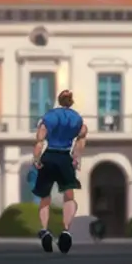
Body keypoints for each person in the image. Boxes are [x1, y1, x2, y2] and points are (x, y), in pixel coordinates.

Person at [32, 88, 88, 254]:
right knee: (69, 195)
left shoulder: (49, 116)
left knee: (45, 196)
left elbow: (40, 139)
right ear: (71, 102)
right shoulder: (77, 119)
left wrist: (36, 158)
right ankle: (65, 230)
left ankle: (44, 230)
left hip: (49, 156)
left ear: (58, 100)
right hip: (65, 158)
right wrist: (76, 157)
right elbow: (82, 137)